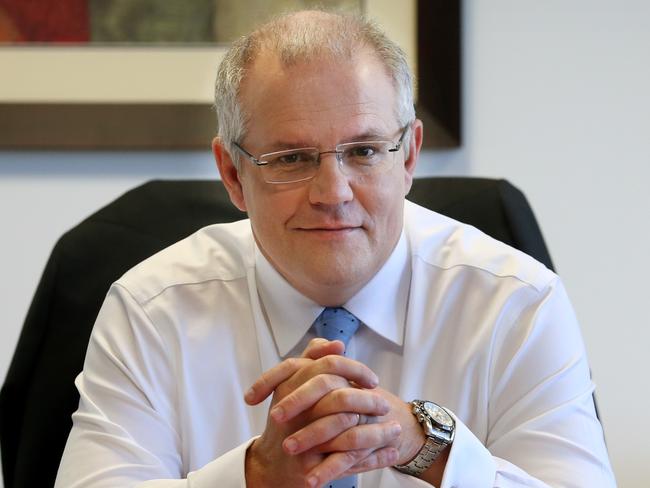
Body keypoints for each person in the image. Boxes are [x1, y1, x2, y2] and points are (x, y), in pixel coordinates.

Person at [55, 10, 615, 488]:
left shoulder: (516, 302)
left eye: (365, 150)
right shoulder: (151, 310)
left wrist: (432, 448)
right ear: (232, 173)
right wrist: (254, 476)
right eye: (291, 159)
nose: (333, 194)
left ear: (409, 157)